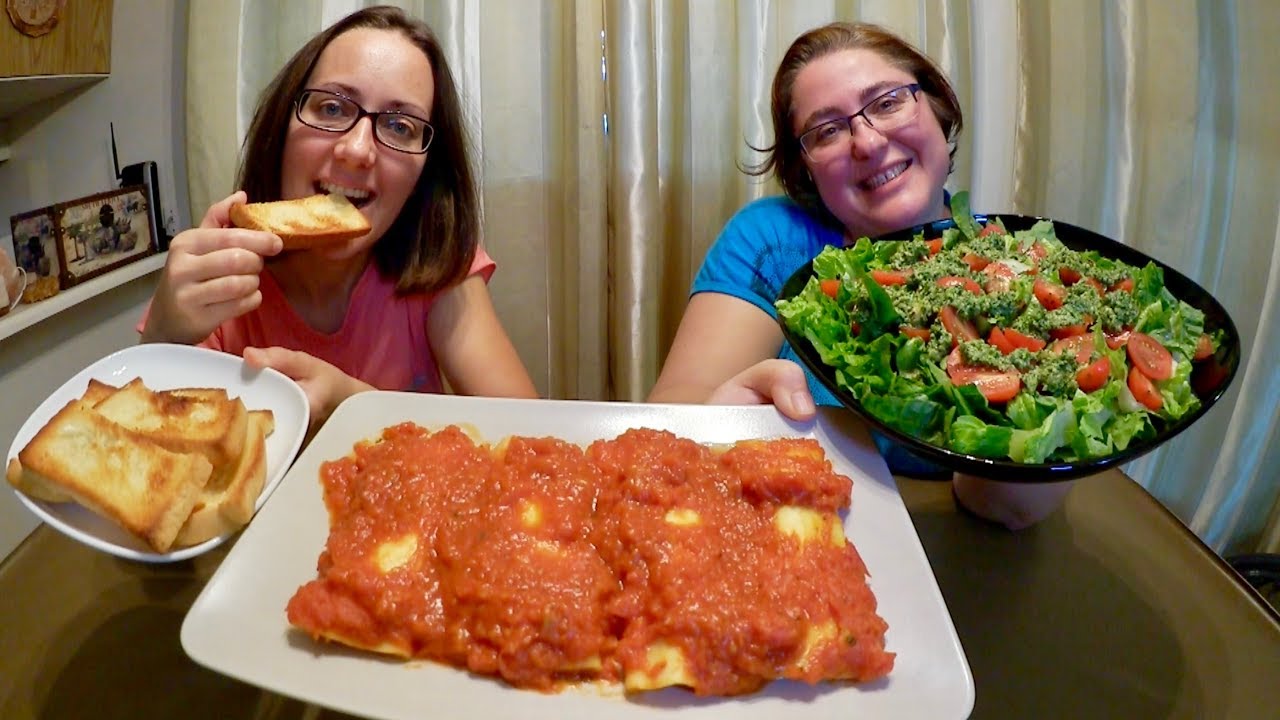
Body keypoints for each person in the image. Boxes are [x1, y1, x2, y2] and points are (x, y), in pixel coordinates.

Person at [648, 21, 1072, 530]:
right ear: (805, 168)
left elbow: (1005, 508)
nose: (867, 142)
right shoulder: (773, 240)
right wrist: (713, 422)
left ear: (937, 109)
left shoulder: (1024, 276)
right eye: (827, 131)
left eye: (888, 102)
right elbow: (672, 417)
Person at [140, 6, 537, 429]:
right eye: (332, 108)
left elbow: (533, 438)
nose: (357, 150)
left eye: (400, 126)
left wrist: (357, 407)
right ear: (282, 127)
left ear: (424, 173)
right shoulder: (220, 278)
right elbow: (150, 450)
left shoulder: (438, 268)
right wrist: (161, 338)